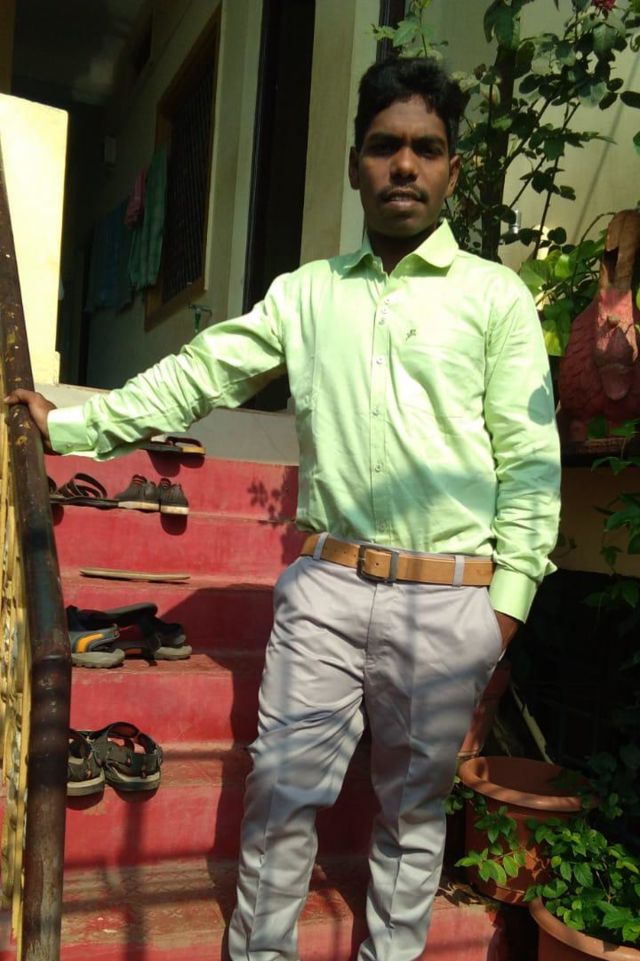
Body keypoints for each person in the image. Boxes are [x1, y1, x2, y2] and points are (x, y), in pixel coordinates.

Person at [7, 57, 560, 961]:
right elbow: (201, 374)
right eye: (385, 146)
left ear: (454, 169)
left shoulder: (493, 299)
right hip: (328, 591)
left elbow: (530, 462)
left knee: (413, 818)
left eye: (426, 148)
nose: (405, 165)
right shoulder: (307, 296)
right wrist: (75, 425)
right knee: (278, 797)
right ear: (354, 164)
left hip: (449, 600)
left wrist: (504, 611)